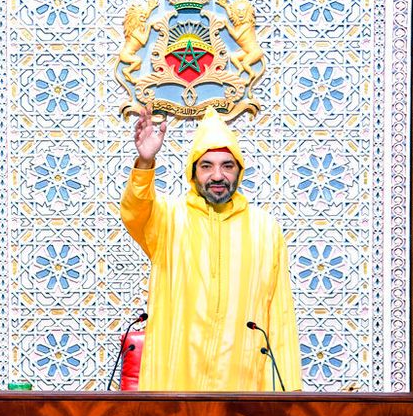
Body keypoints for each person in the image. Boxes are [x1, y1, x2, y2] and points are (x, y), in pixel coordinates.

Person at [120, 105, 302, 391]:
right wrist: (145, 162)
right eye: (207, 166)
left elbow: (280, 315)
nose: (218, 175)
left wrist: (288, 393)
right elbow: (135, 212)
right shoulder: (168, 219)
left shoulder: (265, 228)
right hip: (175, 383)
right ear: (193, 173)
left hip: (243, 388)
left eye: (227, 166)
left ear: (240, 171)